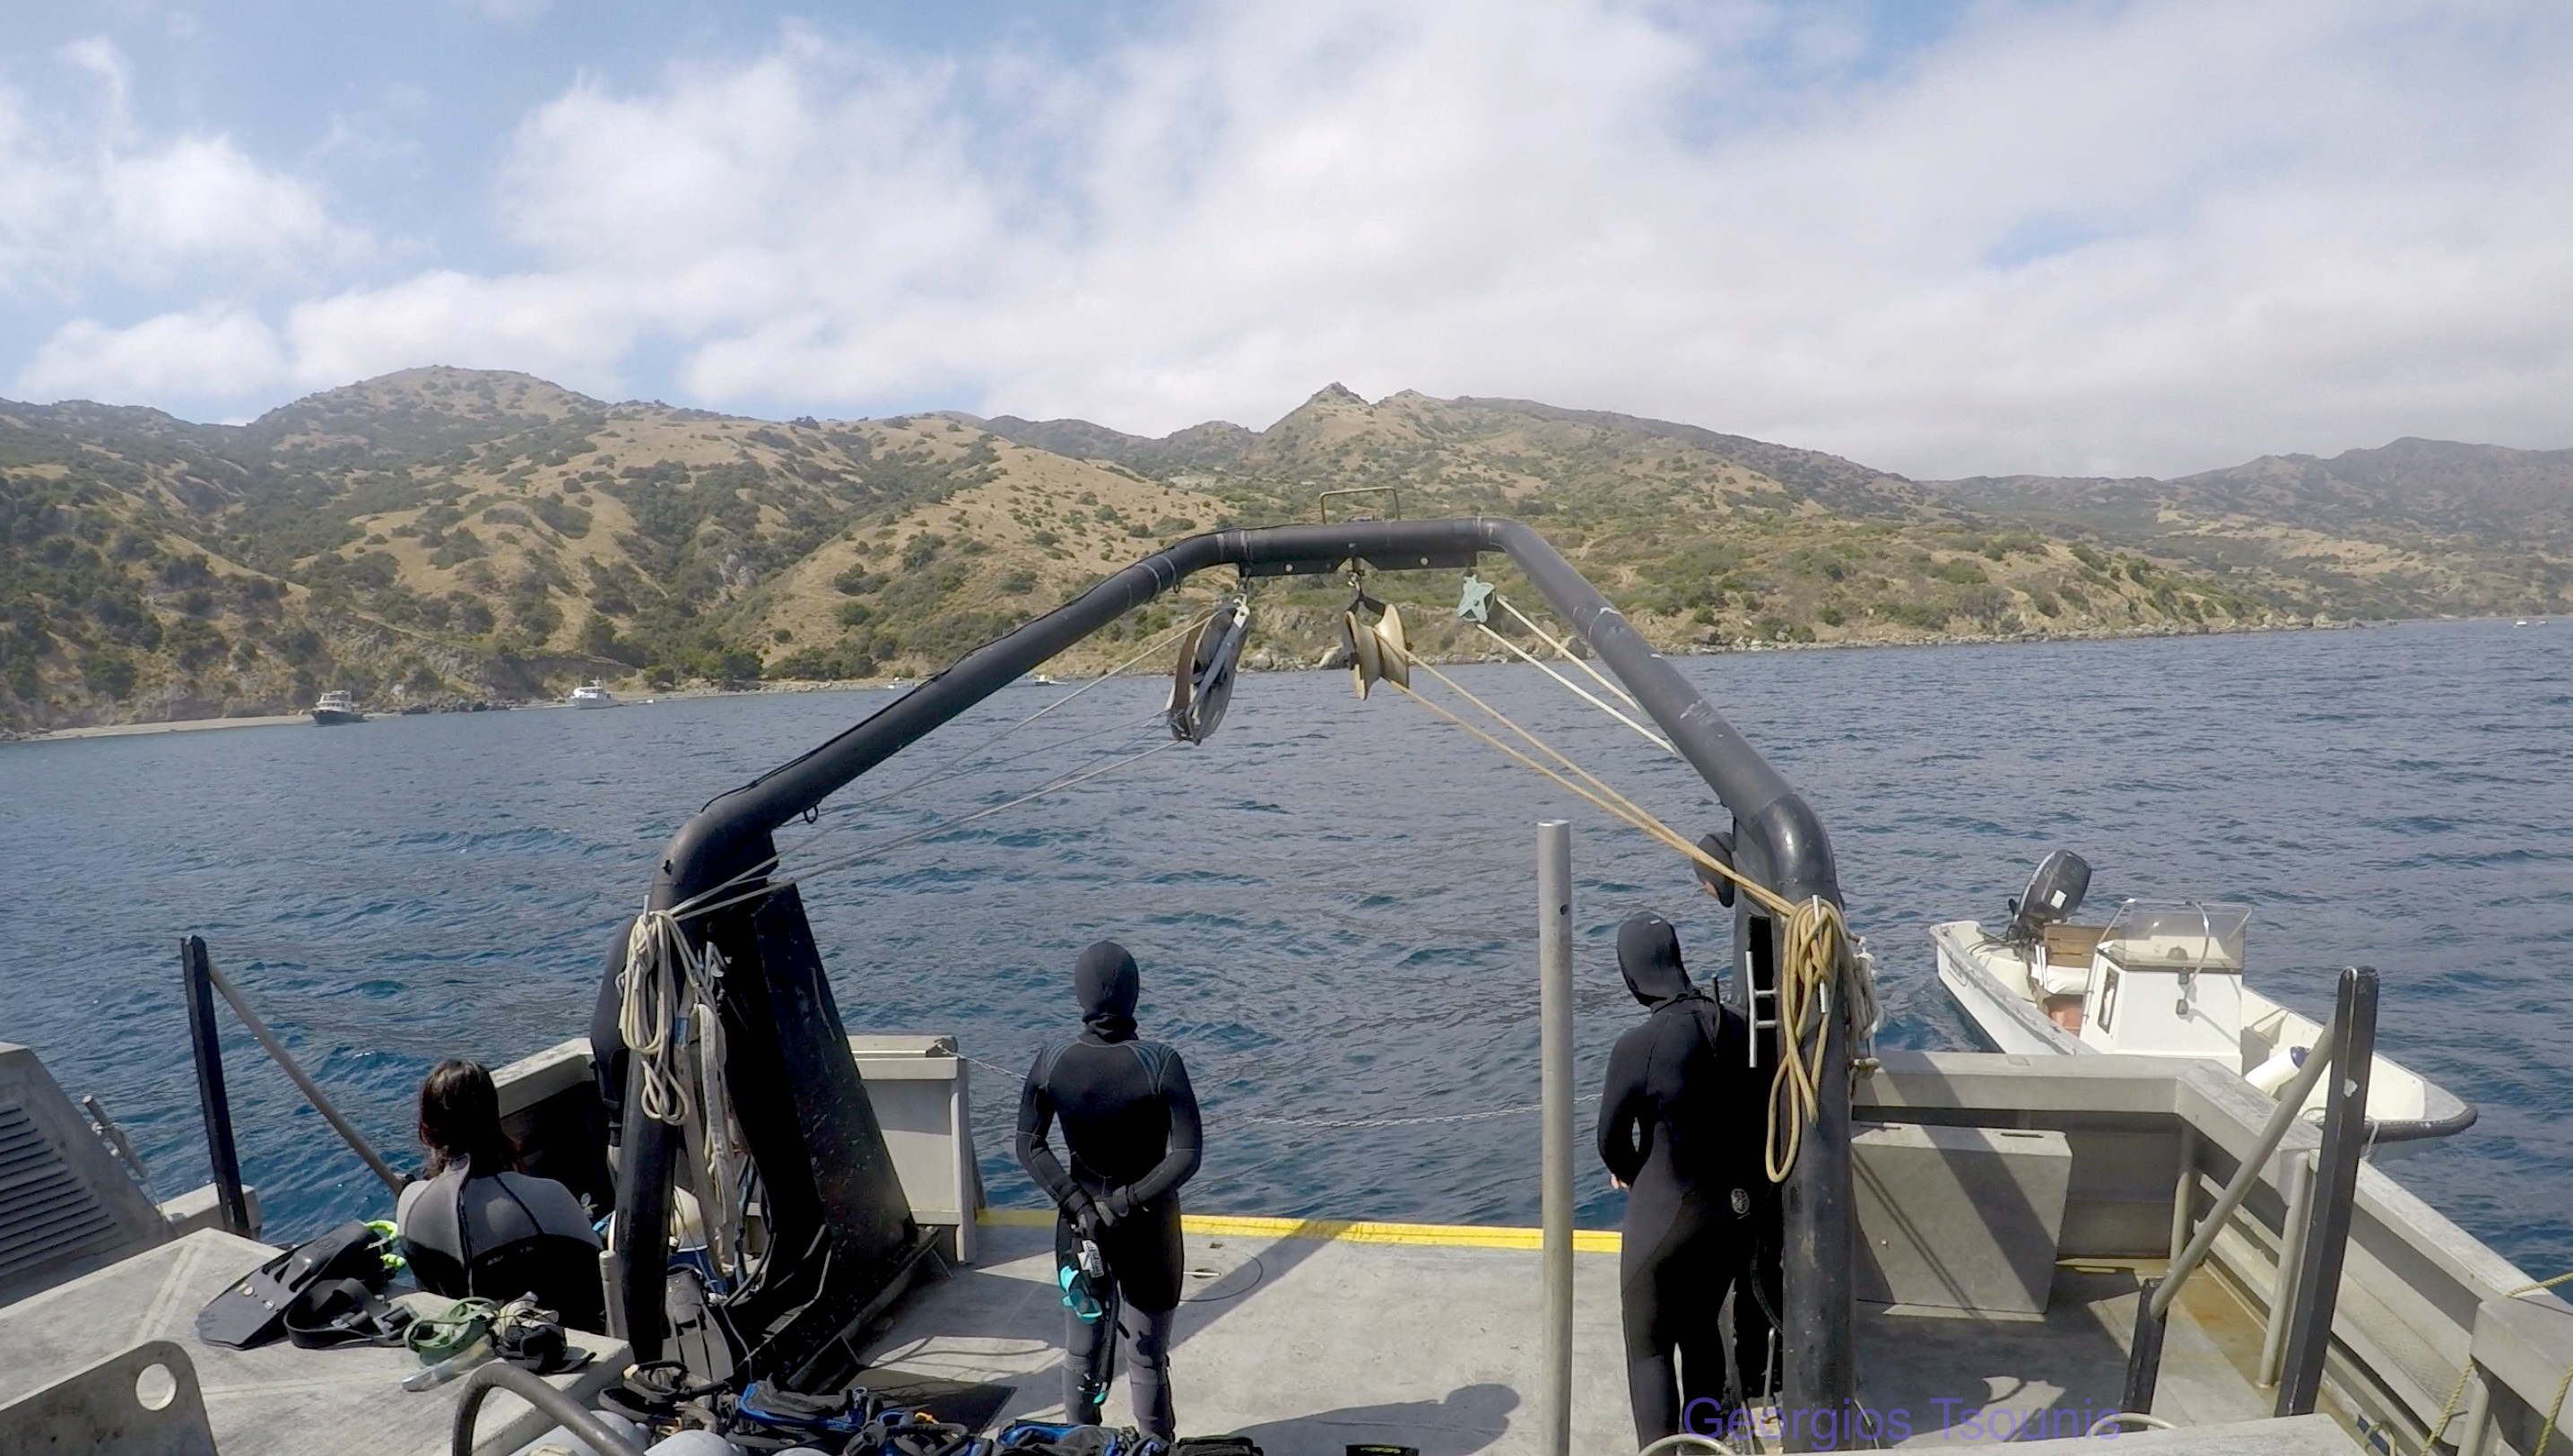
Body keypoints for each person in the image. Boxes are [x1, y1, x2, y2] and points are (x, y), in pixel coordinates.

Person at [1015, 941, 1203, 1443]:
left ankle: (1080, 1447)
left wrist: (1077, 1202)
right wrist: (1123, 1203)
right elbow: (1186, 1155)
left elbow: (1028, 1144)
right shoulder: (1162, 1062)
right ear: (1134, 995)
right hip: (1149, 1227)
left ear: (1080, 992)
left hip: (1079, 1226)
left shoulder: (1053, 1059)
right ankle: (1155, 1449)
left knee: (1081, 1350)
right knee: (1145, 1356)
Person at [1597, 913, 1773, 1446]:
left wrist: (1632, 1175)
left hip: (1668, 1213)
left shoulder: (1639, 1045)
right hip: (1733, 1216)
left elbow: (1610, 1138)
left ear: (1632, 974)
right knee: (1701, 1334)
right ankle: (1705, 1448)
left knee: (1648, 1347)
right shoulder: (1737, 1025)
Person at [396, 1059, 607, 1331]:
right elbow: (601, 1279)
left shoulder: (409, 1204)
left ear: (427, 1132)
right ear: (494, 1121)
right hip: (552, 1350)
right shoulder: (549, 1197)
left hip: (463, 1348)